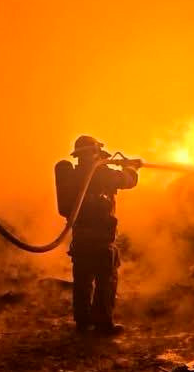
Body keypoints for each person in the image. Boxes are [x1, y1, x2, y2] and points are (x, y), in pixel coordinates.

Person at [54, 135, 138, 335]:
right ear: (94, 153)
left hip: (81, 239)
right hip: (101, 240)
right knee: (106, 281)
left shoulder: (72, 176)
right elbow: (129, 181)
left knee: (82, 281)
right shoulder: (101, 174)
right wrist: (132, 167)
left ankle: (82, 323)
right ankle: (103, 324)